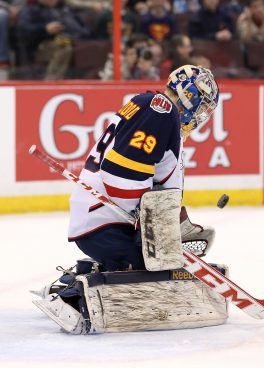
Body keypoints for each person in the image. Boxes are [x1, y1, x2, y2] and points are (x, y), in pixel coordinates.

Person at [34, 66, 225, 334]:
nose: (202, 115)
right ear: (190, 95)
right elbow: (121, 174)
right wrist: (151, 226)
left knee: (164, 262)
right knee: (163, 271)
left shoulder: (156, 111)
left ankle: (74, 278)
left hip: (102, 220)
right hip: (105, 223)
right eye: (202, 105)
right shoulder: (161, 109)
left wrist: (174, 223)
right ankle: (73, 295)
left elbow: (149, 182)